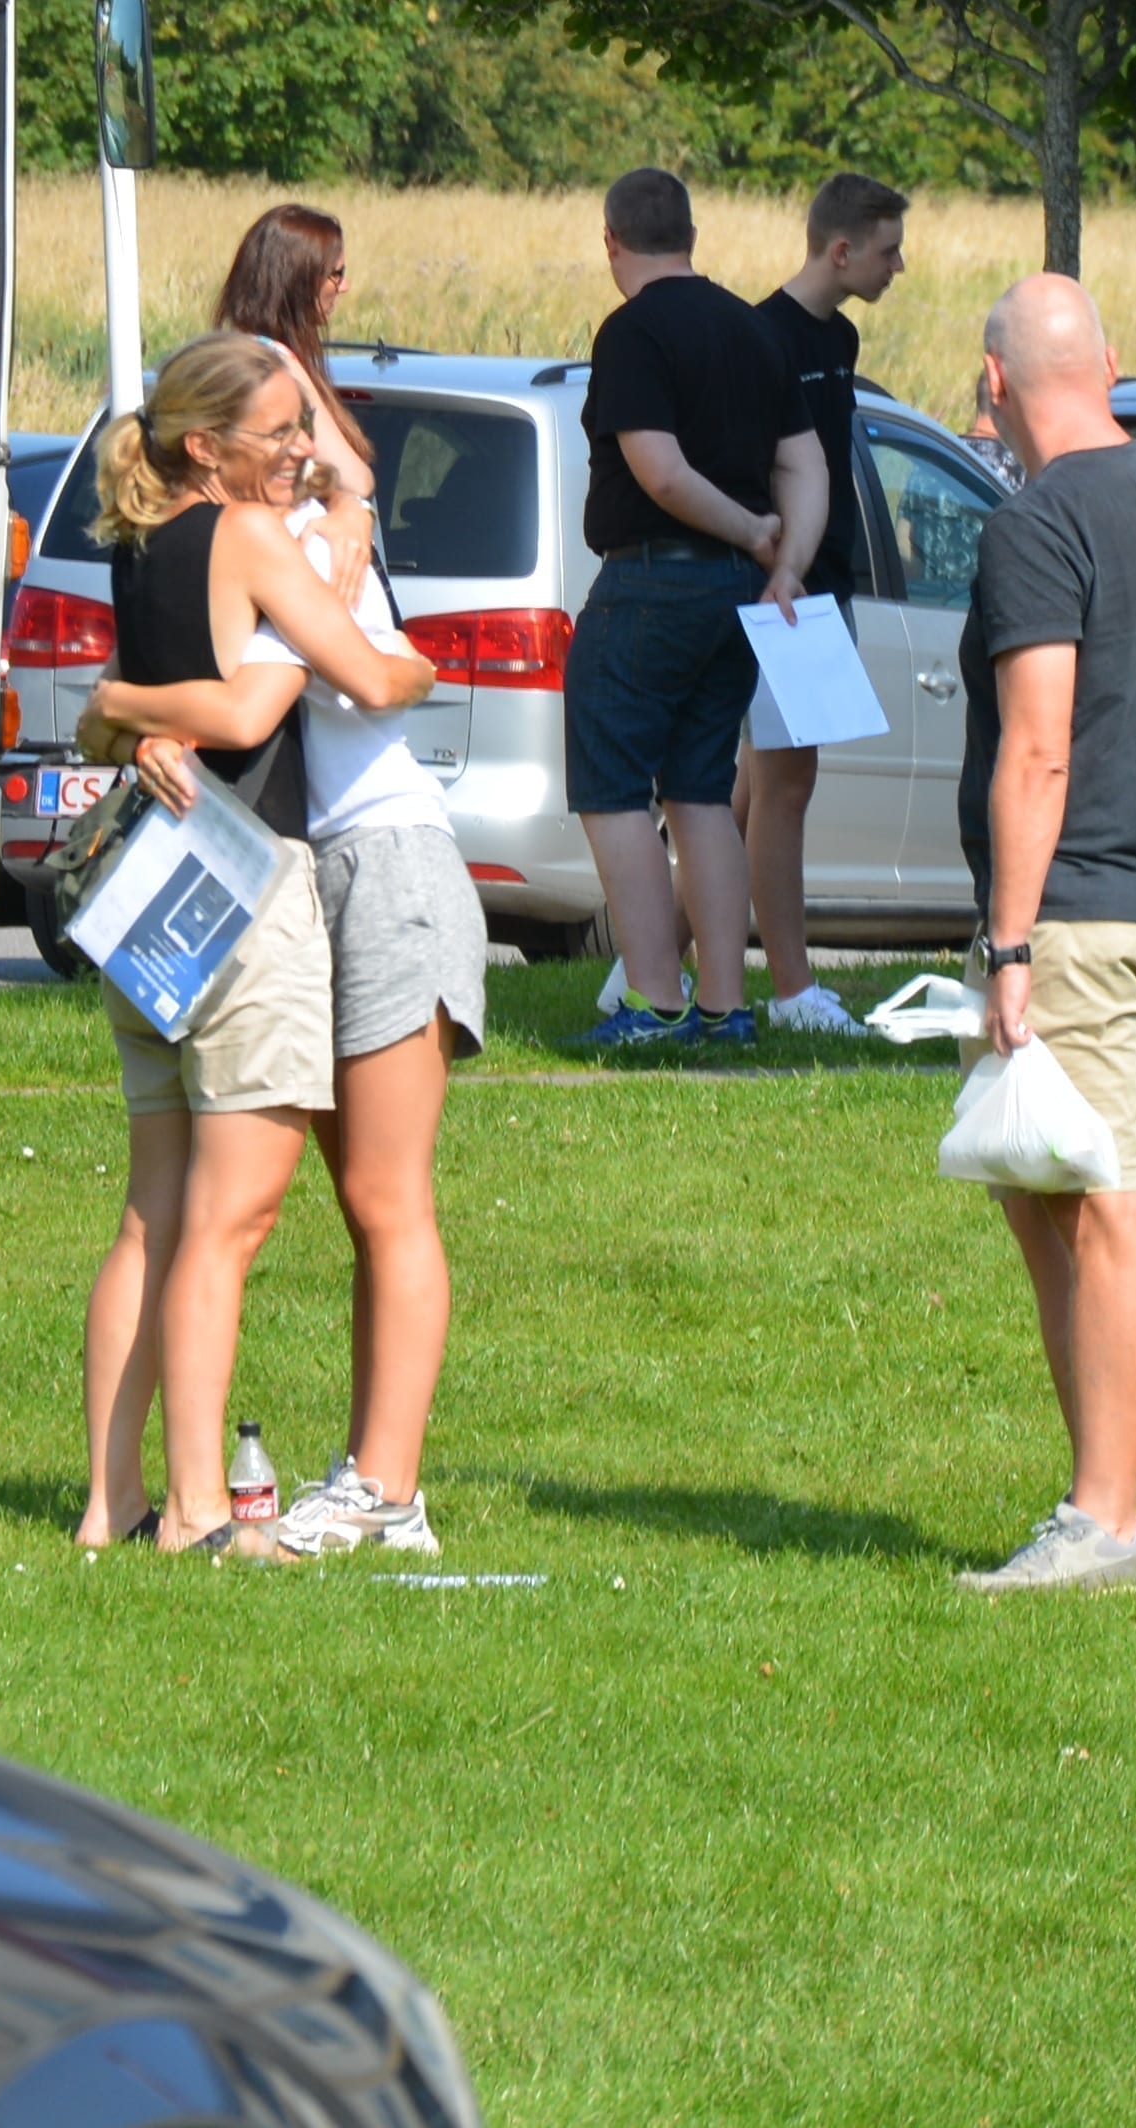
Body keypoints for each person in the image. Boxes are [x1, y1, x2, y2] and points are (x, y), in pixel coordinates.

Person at [104, 239, 476, 1566]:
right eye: (278, 432)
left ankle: (382, 1485)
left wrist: (117, 709)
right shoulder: (269, 538)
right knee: (296, 1201)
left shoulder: (291, 532)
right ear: (211, 449)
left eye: (308, 432)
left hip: (386, 858)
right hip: (302, 866)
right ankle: (326, 1490)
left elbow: (336, 684)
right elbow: (303, 690)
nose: (305, 451)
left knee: (377, 1199)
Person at [952, 273, 1136, 1595]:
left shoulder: (1038, 522)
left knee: (1104, 1200)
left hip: (1082, 908)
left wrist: (1010, 944)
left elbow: (1038, 745)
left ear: (994, 384)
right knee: (1049, 1191)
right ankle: (1094, 1497)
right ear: (1111, 365)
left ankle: (1107, 1522)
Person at [568, 167, 822, 1047]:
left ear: (612, 242)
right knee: (703, 792)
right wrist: (786, 565)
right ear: (692, 237)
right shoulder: (754, 330)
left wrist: (755, 531)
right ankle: (725, 1001)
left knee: (612, 788)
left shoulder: (632, 332)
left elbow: (661, 472)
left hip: (651, 579)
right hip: (738, 600)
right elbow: (807, 466)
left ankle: (653, 998)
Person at [735, 170, 908, 1038]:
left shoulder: (838, 337)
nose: (899, 266)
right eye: (888, 250)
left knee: (744, 792)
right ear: (840, 251)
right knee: (786, 784)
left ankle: (643, 964)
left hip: (822, 580)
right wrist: (786, 562)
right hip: (786, 586)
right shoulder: (762, 336)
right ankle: (794, 990)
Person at [212, 200, 383, 543]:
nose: (344, 287)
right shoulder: (273, 362)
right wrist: (352, 507)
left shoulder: (223, 353)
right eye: (336, 274)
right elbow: (355, 479)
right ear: (299, 281)